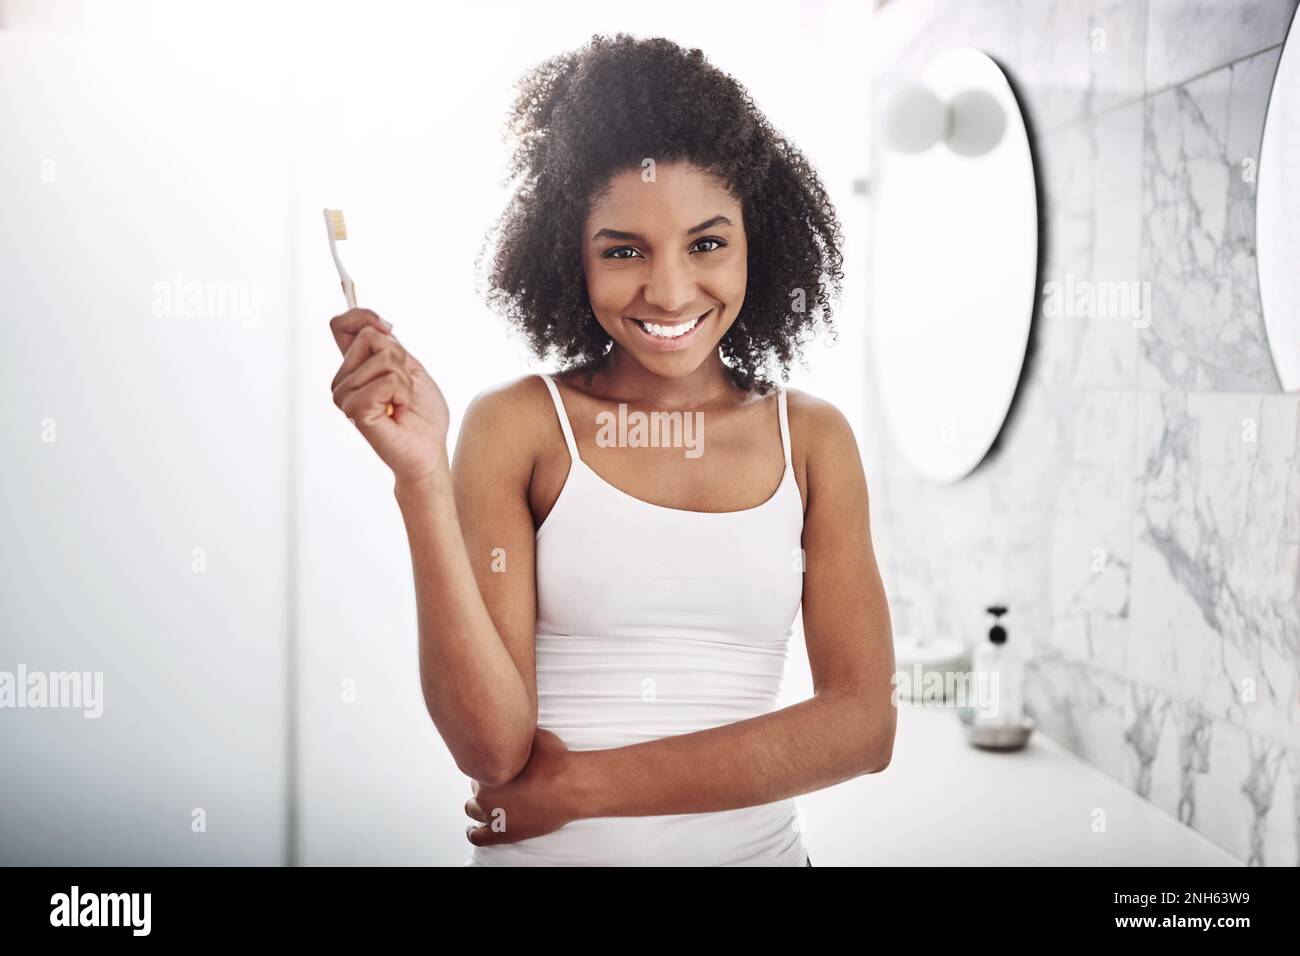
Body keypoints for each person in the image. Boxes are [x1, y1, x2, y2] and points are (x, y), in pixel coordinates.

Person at [327, 33, 895, 866]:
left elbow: (863, 725)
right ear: (571, 255)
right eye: (623, 250)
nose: (669, 292)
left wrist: (582, 787)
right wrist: (420, 477)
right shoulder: (518, 428)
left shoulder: (811, 440)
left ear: (756, 244)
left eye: (707, 244)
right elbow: (490, 752)